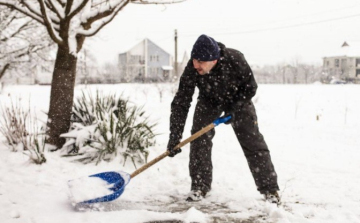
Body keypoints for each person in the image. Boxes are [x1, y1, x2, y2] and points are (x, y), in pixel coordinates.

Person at [167, 34, 280, 204]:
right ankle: (199, 186)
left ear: (214, 60)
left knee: (253, 142)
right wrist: (175, 135)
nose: (196, 64)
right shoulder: (192, 68)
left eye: (200, 61)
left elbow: (250, 87)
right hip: (209, 101)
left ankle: (270, 190)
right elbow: (181, 102)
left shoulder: (235, 59)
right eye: (194, 60)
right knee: (199, 138)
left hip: (238, 99)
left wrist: (234, 108)